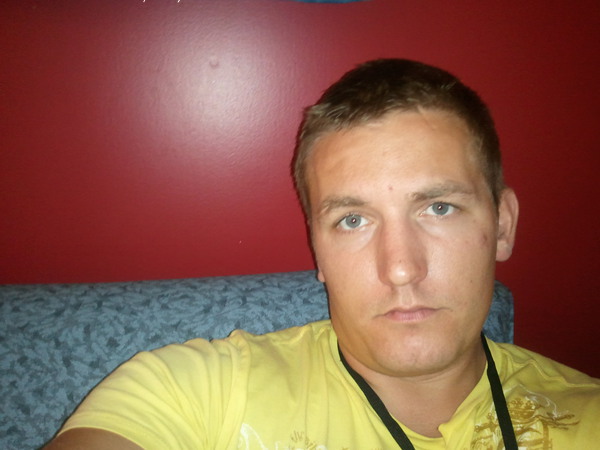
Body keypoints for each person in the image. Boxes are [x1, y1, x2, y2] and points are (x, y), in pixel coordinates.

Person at [45, 59, 599, 449]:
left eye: (439, 208)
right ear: (317, 249)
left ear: (502, 226)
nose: (400, 268)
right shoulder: (196, 389)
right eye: (353, 220)